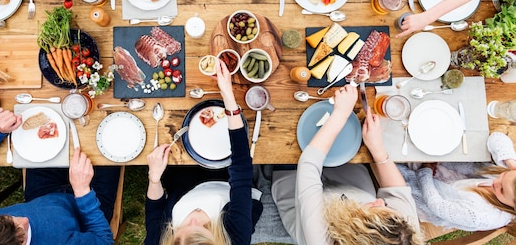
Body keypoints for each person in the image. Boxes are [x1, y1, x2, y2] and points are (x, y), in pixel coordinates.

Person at [271, 85, 423, 245]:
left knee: (288, 146)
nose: (380, 201)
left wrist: (340, 114)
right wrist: (378, 150)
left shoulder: (319, 239)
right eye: (385, 205)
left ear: (355, 232)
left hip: (295, 186)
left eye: (374, 209)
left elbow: (308, 164)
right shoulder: (404, 236)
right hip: (350, 184)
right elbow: (398, 192)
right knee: (352, 144)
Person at [0, 108, 119, 245]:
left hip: (43, 197)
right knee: (113, 138)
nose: (24, 219)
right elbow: (104, 240)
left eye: (8, 218)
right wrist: (83, 192)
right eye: (22, 234)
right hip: (87, 213)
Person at [145, 61, 263, 245]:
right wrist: (228, 96)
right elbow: (241, 169)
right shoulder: (236, 236)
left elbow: (154, 212)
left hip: (183, 189)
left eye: (177, 234)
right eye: (205, 228)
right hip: (226, 183)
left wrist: (154, 178)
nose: (193, 217)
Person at [397, 132, 516, 231]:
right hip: (449, 178)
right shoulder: (510, 179)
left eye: (502, 190)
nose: (496, 182)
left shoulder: (480, 216)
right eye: (504, 175)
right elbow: (496, 138)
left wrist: (425, 172)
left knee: (391, 162)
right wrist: (510, 162)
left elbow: (436, 205)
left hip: (423, 198)